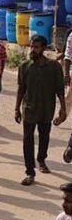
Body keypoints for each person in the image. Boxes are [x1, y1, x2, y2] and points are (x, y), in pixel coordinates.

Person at [17, 34, 66, 185]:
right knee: (27, 140)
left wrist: (63, 110)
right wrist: (16, 109)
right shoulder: (24, 66)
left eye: (36, 47)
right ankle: (30, 171)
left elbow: (59, 91)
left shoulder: (54, 67)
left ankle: (41, 159)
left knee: (44, 137)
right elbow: (21, 89)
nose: (33, 50)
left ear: (43, 49)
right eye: (32, 46)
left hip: (46, 109)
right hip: (29, 109)